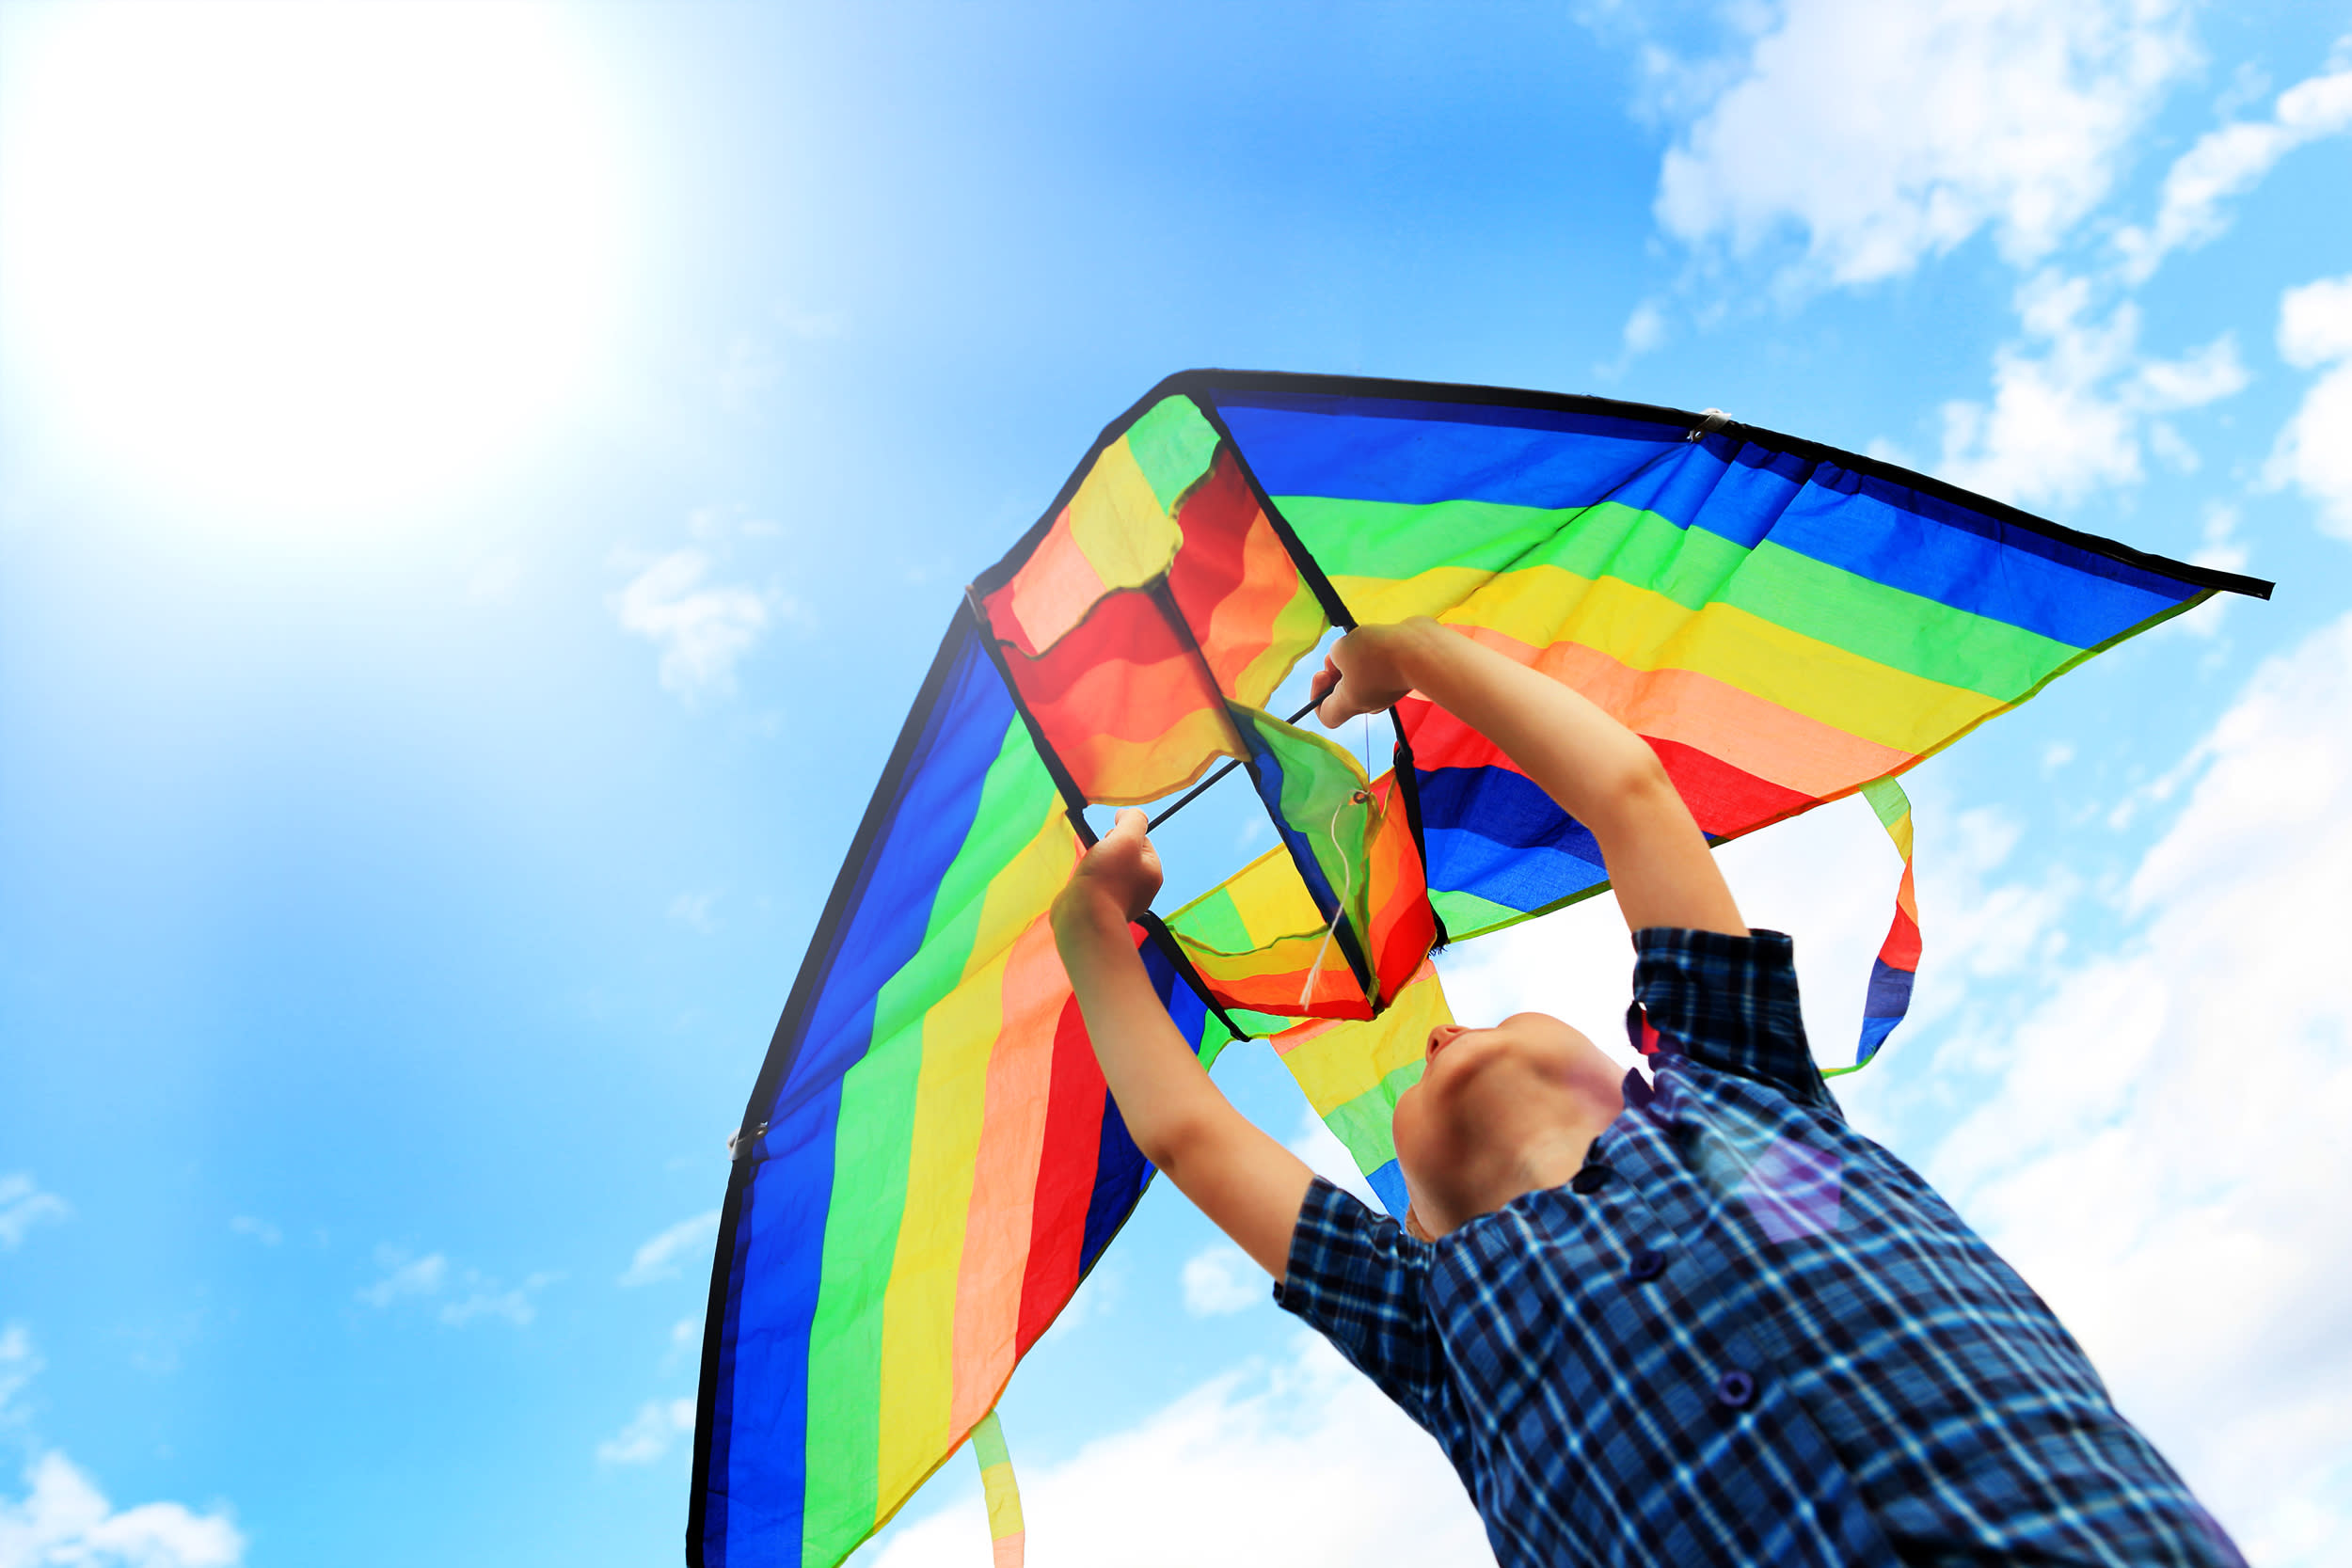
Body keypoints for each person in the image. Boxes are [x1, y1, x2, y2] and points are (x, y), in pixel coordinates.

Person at [1050, 617, 2244, 1567]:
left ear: (1629, 1066)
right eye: (1426, 1057)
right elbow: (1187, 1128)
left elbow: (1627, 790)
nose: (1444, 1030)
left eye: (1483, 1012)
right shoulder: (1427, 1315)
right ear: (1413, 1218)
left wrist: (1411, 655)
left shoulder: (1734, 1078)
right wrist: (1091, 930)